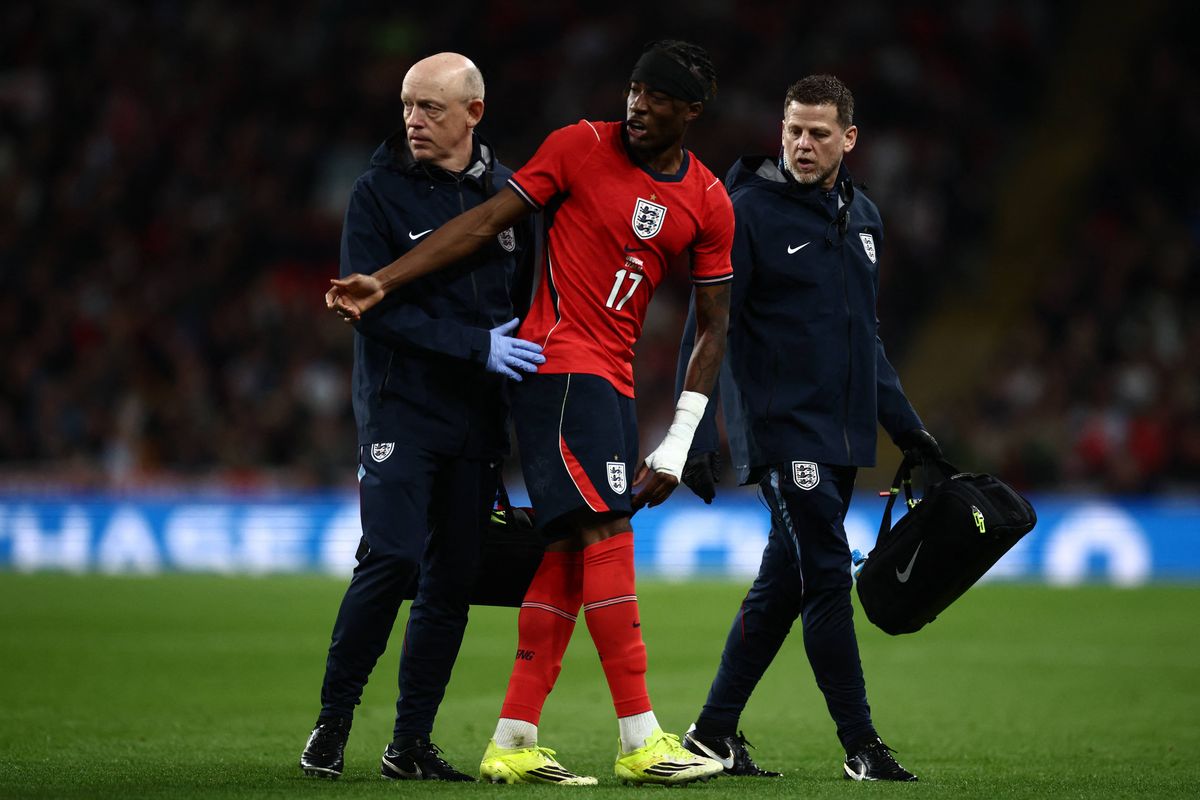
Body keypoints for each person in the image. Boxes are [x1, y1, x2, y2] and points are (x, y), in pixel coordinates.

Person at [326, 40, 734, 787]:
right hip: (559, 369)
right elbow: (484, 224)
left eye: (658, 97)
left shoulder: (708, 199)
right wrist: (382, 281)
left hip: (611, 380)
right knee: (607, 531)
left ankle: (513, 738)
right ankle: (640, 739)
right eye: (634, 90)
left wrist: (678, 441)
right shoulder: (578, 146)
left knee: (572, 553)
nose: (638, 106)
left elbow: (713, 327)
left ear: (692, 112)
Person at [673, 74, 941, 782]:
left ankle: (710, 736)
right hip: (781, 431)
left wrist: (908, 430)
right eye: (794, 129)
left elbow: (866, 342)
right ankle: (862, 746)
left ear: (849, 139)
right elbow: (709, 324)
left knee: (783, 587)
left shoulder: (865, 220)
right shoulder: (748, 213)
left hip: (843, 435)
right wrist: (692, 432)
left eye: (819, 132)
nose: (803, 143)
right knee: (826, 576)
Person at [299, 52, 545, 782]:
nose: (413, 119)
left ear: (474, 112)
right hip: (401, 410)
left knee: (451, 582)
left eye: (430, 108)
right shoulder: (376, 193)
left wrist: (509, 375)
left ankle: (409, 742)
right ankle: (333, 722)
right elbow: (370, 314)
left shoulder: (509, 197)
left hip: (475, 422)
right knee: (393, 558)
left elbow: (524, 305)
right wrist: (477, 347)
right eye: (407, 105)